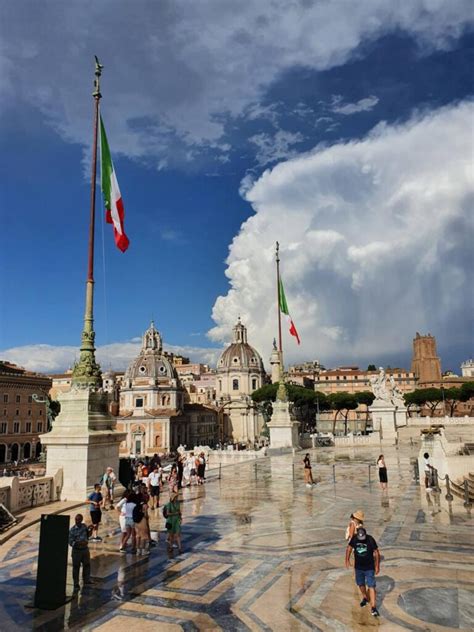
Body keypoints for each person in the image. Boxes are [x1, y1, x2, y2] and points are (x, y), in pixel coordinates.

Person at [345, 526, 381, 617]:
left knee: (371, 585)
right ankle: (365, 597)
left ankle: (373, 607)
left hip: (369, 567)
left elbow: (376, 552)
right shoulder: (354, 538)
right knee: (360, 584)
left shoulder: (370, 539)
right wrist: (347, 560)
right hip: (358, 567)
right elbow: (349, 548)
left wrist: (377, 566)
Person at [68, 514, 93, 593]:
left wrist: (90, 530)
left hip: (85, 549)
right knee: (76, 567)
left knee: (87, 565)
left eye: (79, 520)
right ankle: (76, 583)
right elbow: (70, 542)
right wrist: (79, 543)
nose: (77, 521)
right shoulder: (72, 530)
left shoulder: (84, 526)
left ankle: (87, 579)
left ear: (81, 520)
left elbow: (88, 535)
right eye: (76, 520)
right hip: (77, 551)